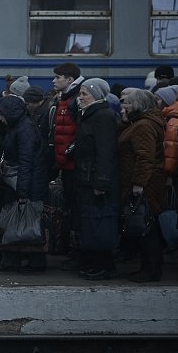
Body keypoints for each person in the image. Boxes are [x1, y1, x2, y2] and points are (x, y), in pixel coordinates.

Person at [0, 96, 49, 274]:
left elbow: (27, 161)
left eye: (2, 115)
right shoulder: (17, 126)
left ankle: (35, 261)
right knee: (15, 221)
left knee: (28, 221)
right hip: (20, 180)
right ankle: (12, 260)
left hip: (26, 182)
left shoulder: (24, 129)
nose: (0, 119)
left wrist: (22, 191)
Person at [71, 78, 120, 281]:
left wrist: (101, 181)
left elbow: (105, 152)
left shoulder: (102, 116)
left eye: (84, 94)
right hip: (86, 177)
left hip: (96, 179)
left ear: (96, 95)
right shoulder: (89, 115)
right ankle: (94, 262)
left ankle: (104, 265)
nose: (79, 98)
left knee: (100, 223)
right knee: (91, 222)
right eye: (80, 94)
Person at [117, 89, 166, 282]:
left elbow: (144, 157)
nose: (124, 106)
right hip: (145, 182)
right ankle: (149, 268)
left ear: (139, 105)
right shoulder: (138, 123)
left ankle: (151, 270)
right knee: (146, 225)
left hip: (144, 184)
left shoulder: (143, 126)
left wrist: (138, 183)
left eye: (128, 103)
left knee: (146, 226)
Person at [51, 62, 84, 268]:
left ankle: (78, 253)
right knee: (71, 208)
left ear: (70, 80)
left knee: (76, 209)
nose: (53, 80)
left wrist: (69, 153)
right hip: (67, 163)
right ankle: (74, 251)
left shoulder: (74, 100)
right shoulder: (68, 98)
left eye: (58, 77)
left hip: (74, 165)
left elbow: (79, 132)